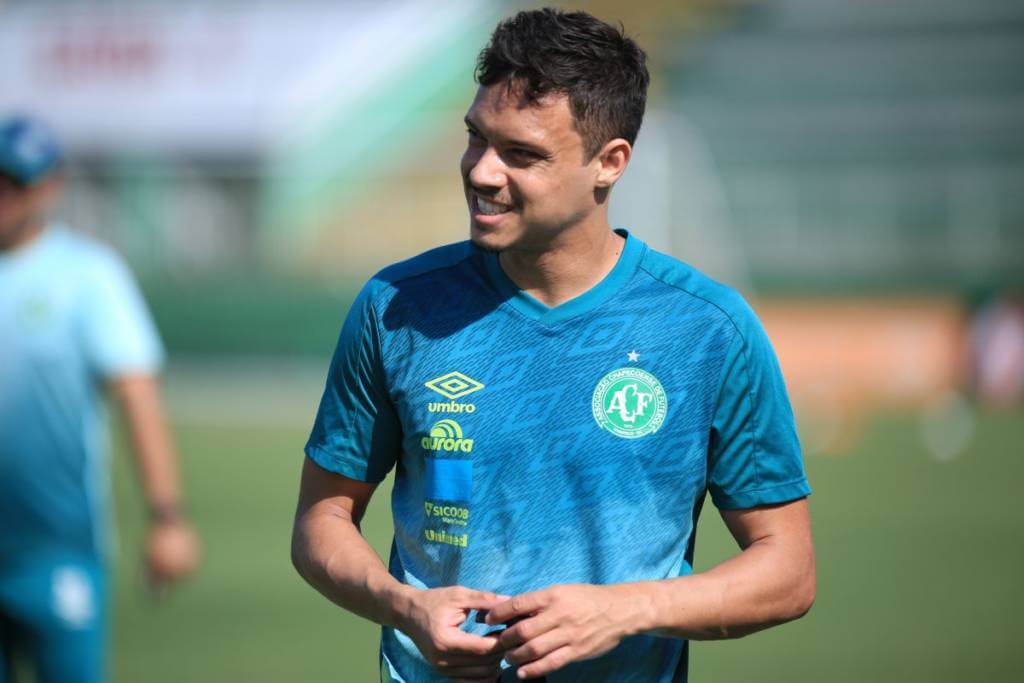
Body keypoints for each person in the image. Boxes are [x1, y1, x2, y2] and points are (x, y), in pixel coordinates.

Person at [292, 8, 814, 682]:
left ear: (609, 163)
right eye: (476, 138)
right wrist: (406, 606)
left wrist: (625, 610)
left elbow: (788, 568)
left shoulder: (708, 328)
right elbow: (322, 517)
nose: (482, 172)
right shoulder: (396, 306)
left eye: (522, 154)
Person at [0, 115, 201, 683]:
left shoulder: (87, 275)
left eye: (16, 183)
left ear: (49, 187)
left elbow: (136, 396)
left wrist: (166, 517)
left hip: (57, 544)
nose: (4, 196)